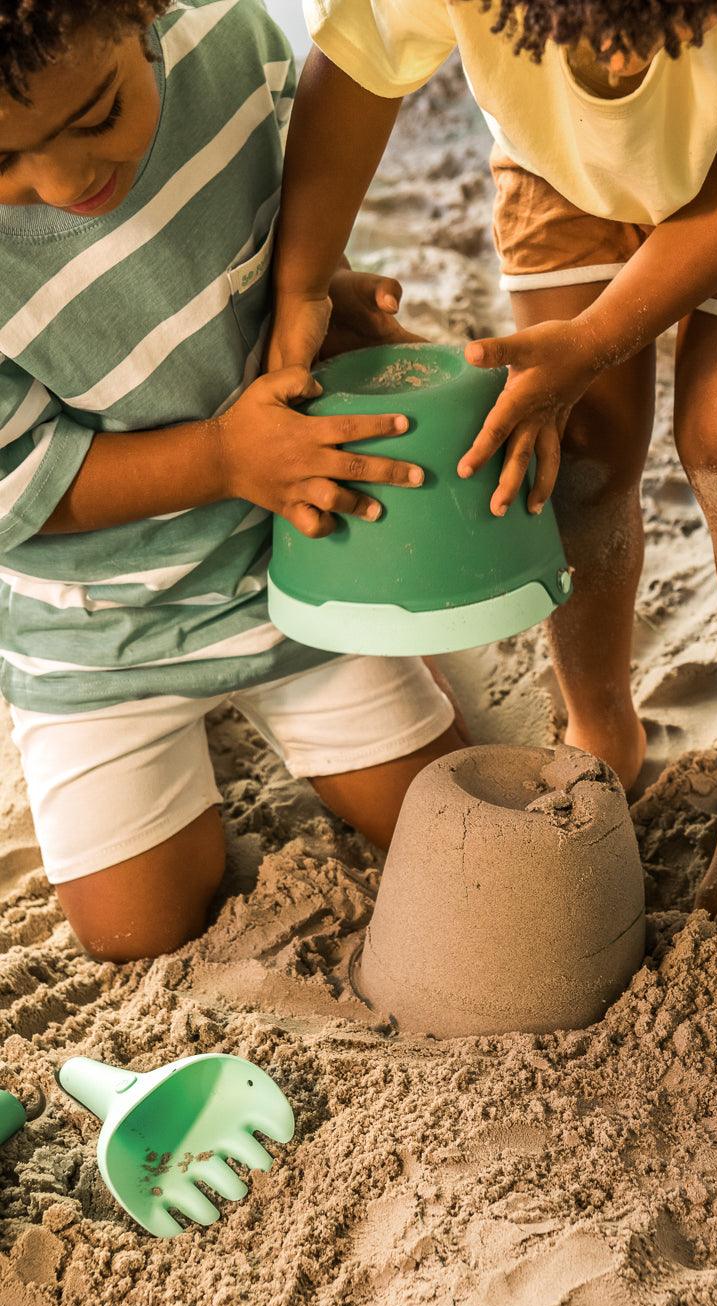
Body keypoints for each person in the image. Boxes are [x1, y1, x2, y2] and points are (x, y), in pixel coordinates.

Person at [269, 0, 717, 913]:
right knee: (583, 445)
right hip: (563, 162)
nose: (617, 57)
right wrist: (302, 278)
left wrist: (600, 336)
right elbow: (362, 65)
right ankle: (600, 723)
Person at [0, 0, 462, 962]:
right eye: (0, 163)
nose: (65, 177)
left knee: (445, 824)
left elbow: (287, 215)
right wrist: (220, 458)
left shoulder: (226, 43)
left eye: (94, 116)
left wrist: (327, 293)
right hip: (101, 630)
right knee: (133, 934)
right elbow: (19, 488)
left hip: (296, 564)